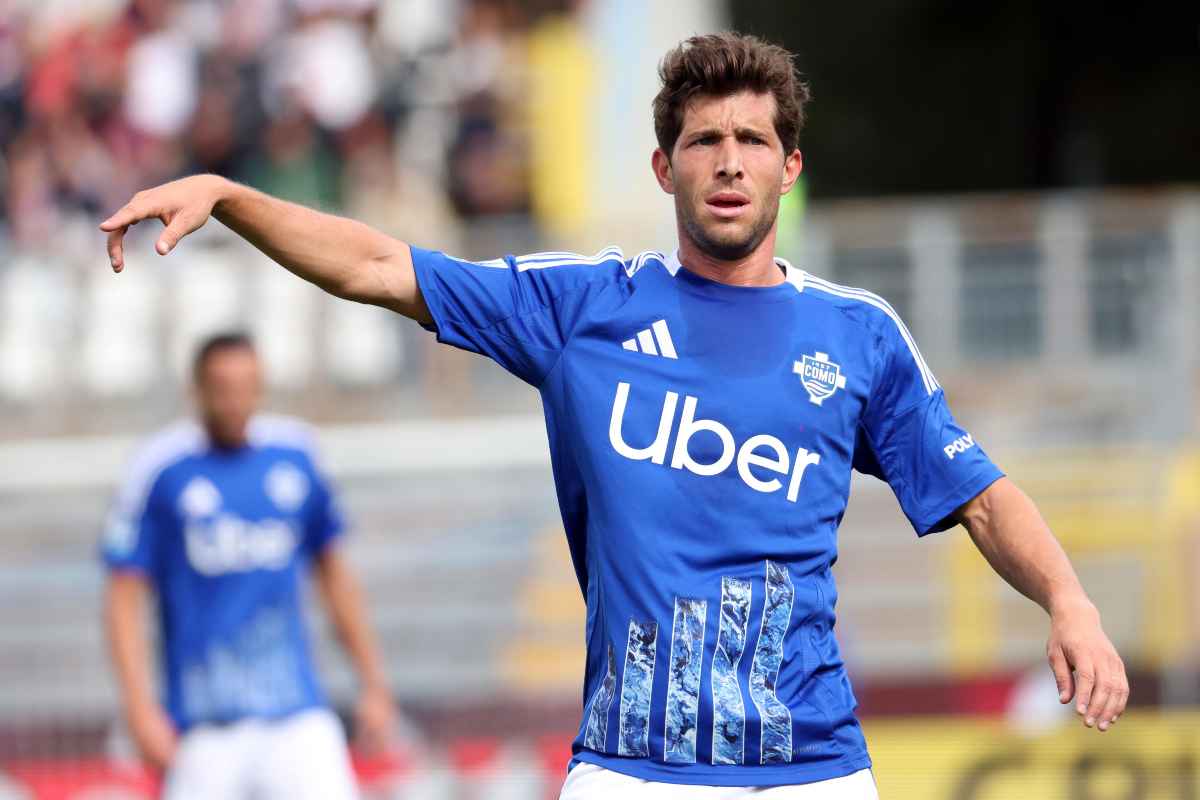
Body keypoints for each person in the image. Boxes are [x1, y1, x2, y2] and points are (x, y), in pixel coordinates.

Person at [100, 31, 1128, 800]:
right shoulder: (583, 306)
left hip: (810, 766)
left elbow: (981, 497)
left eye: (753, 141)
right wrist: (232, 194)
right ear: (663, 167)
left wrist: (1070, 603)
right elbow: (380, 266)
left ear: (790, 166)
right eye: (704, 140)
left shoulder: (856, 334)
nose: (729, 160)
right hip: (629, 767)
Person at [101, 332, 396, 799]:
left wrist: (373, 684)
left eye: (246, 386)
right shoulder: (162, 469)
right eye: (222, 388)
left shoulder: (296, 456)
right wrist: (139, 708)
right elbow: (123, 594)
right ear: (197, 390)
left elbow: (335, 576)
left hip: (297, 716)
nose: (234, 401)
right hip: (204, 725)